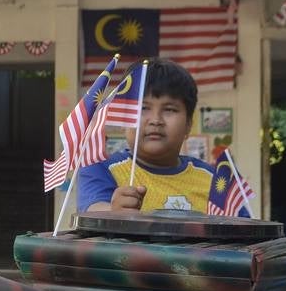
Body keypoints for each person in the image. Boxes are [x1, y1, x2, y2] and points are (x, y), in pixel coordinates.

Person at [77, 58, 247, 216]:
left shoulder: (215, 181)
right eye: (143, 108)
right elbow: (93, 210)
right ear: (124, 119)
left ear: (188, 124)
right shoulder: (101, 168)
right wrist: (114, 211)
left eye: (170, 109)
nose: (155, 120)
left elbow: (243, 228)